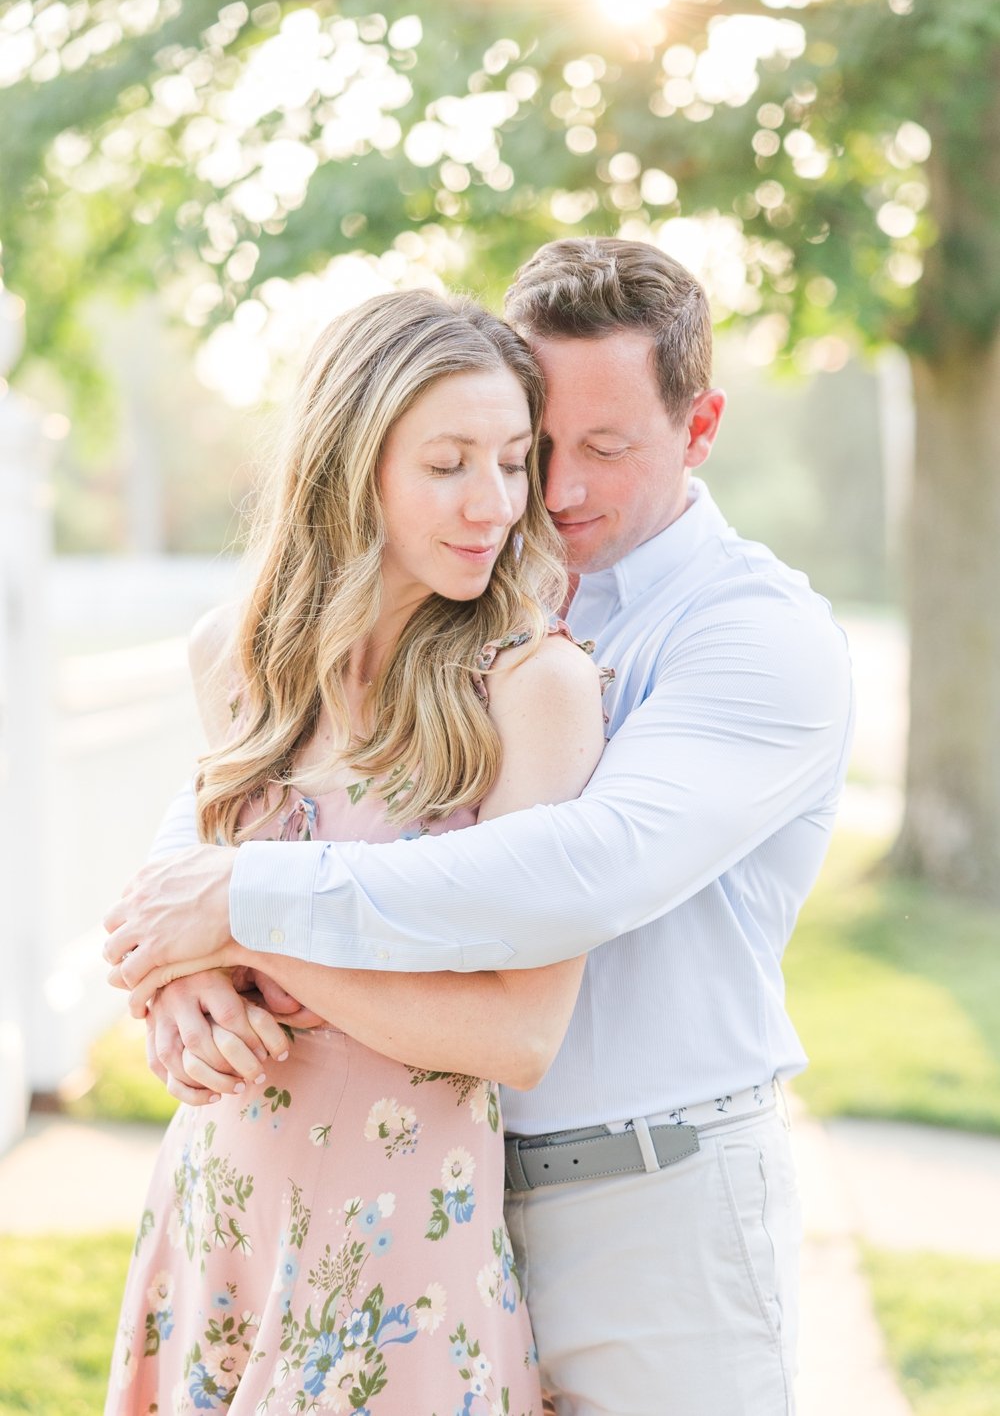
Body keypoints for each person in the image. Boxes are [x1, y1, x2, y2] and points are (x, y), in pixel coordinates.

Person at [106, 238, 854, 1416]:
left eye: (600, 451)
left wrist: (236, 916)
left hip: (644, 1208)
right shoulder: (459, 600)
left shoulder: (748, 636)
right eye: (531, 446)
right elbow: (212, 824)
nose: (542, 496)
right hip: (427, 1191)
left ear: (699, 428)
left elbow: (581, 868)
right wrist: (175, 974)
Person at [103, 289, 607, 1415]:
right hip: (217, 1214)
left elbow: (518, 1032)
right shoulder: (232, 659)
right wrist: (180, 985)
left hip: (402, 1266)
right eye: (448, 464)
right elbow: (169, 910)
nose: (494, 504)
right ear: (350, 463)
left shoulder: (532, 691)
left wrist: (241, 923)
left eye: (514, 461)